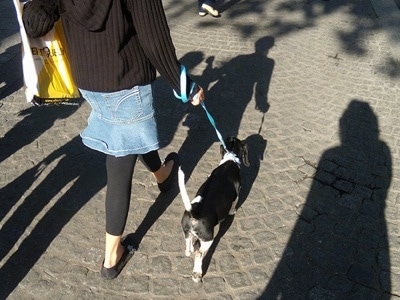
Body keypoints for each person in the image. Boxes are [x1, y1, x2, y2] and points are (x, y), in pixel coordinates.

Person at [22, 0, 205, 280]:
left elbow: (35, 22)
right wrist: (185, 86)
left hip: (87, 79)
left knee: (131, 133)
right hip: (125, 77)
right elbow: (154, 38)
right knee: (120, 162)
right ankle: (111, 257)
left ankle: (162, 174)